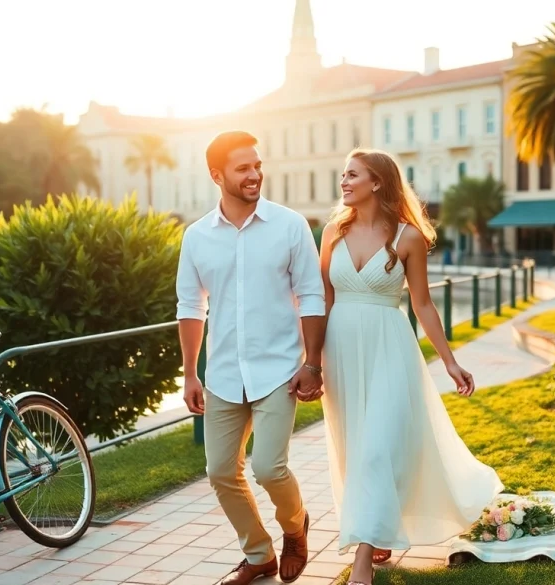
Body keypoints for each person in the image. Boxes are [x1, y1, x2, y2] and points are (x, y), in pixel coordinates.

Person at [317, 148, 504, 585]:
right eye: (343, 175)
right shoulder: (332, 232)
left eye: (352, 175)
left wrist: (450, 362)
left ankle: (363, 561)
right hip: (340, 349)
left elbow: (422, 304)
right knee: (354, 449)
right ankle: (377, 526)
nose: (344, 182)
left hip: (389, 348)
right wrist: (311, 360)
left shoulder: (409, 238)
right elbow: (323, 297)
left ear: (377, 182)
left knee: (377, 448)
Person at [175, 130, 326, 585]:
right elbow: (190, 306)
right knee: (221, 471)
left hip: (279, 370)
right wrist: (190, 374)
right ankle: (259, 554)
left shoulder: (290, 225)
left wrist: (313, 363)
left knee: (268, 468)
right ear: (217, 175)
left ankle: (295, 528)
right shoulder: (196, 237)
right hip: (223, 373)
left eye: (257, 166)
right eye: (243, 168)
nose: (255, 174)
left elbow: (312, 294)